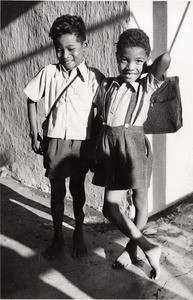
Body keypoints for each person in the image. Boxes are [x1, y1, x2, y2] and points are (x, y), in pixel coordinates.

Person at [24, 14, 104, 260]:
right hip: (55, 140)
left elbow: (101, 113)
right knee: (57, 191)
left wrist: (97, 145)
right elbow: (31, 98)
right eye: (59, 50)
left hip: (82, 143)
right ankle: (58, 236)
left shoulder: (94, 78)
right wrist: (34, 129)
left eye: (71, 48)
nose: (65, 55)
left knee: (78, 190)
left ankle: (78, 232)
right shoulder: (49, 73)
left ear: (84, 45)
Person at [92, 28, 171, 280]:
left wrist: (145, 69)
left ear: (146, 61)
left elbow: (166, 58)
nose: (130, 66)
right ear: (116, 56)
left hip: (134, 146)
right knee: (110, 208)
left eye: (138, 61)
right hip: (111, 148)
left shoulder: (146, 85)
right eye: (125, 59)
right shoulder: (107, 84)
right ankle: (149, 247)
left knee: (139, 202)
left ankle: (132, 248)